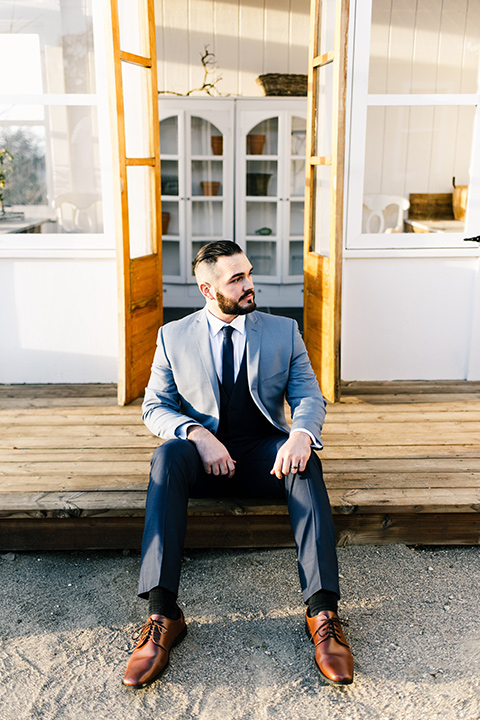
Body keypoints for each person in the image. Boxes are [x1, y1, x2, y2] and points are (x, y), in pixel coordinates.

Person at [122, 240, 353, 688]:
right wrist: (197, 434)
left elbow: (308, 394)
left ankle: (323, 614)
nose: (250, 285)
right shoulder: (174, 335)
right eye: (237, 279)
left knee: (306, 464)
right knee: (166, 456)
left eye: (248, 273)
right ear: (208, 290)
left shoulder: (283, 331)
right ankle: (162, 615)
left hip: (264, 454)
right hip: (201, 460)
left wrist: (301, 434)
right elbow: (154, 406)